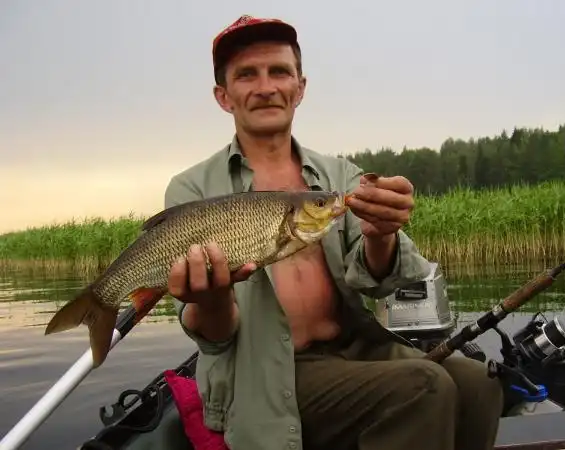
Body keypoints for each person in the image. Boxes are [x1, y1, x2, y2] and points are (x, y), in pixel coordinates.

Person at [163, 14, 503, 450]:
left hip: (353, 349)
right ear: (223, 96)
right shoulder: (192, 189)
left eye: (279, 71)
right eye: (247, 74)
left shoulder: (339, 175)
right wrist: (211, 299)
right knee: (423, 386)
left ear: (300, 87)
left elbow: (379, 282)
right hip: (264, 374)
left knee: (480, 382)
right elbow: (214, 335)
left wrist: (381, 234)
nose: (266, 86)